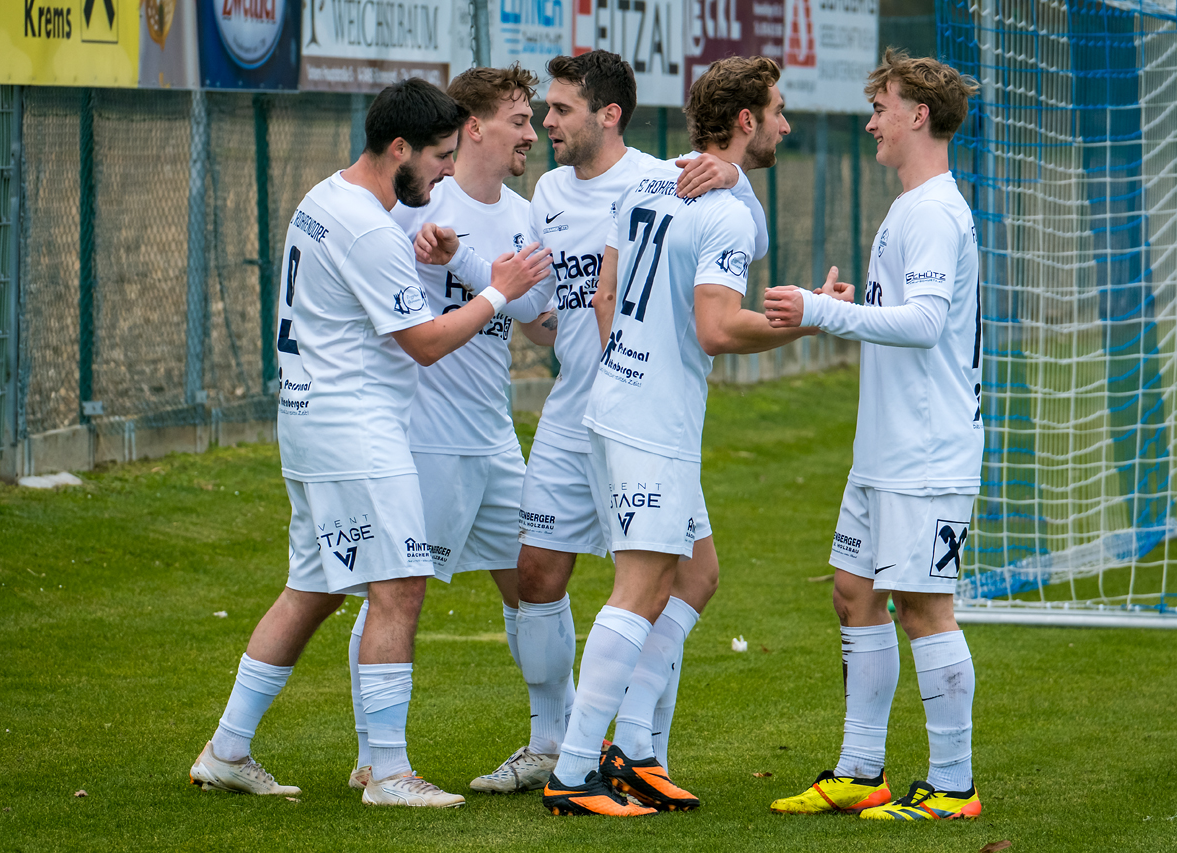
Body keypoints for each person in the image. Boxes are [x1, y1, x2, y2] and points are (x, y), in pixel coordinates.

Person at [187, 78, 552, 808]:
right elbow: (425, 343)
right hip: (356, 429)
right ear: (400, 149)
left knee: (314, 588)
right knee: (400, 586)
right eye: (439, 157)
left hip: (311, 421)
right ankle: (387, 772)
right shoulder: (370, 229)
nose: (445, 173)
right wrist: (498, 291)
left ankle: (225, 749)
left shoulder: (323, 199)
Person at [415, 49, 769, 797]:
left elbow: (742, 228)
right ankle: (552, 743)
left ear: (608, 115)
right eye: (543, 109)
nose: (546, 122)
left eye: (560, 109)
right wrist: (459, 263)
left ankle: (641, 749)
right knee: (538, 574)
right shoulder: (546, 191)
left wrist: (735, 177)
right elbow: (540, 300)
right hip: (573, 410)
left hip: (634, 412)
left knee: (673, 576)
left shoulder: (660, 176)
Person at [543, 55, 819, 817]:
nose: (786, 124)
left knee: (696, 574)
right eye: (778, 110)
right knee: (638, 588)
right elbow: (717, 328)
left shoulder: (648, 181)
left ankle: (633, 749)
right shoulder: (722, 208)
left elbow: (604, 293)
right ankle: (574, 770)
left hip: (618, 401)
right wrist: (811, 319)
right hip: (650, 422)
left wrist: (630, 364)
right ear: (746, 120)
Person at [764, 49, 983, 821]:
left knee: (925, 607)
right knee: (855, 592)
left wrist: (821, 311)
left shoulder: (935, 211)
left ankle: (952, 786)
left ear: (918, 115)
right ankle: (861, 770)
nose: (871, 124)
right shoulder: (909, 205)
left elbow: (924, 324)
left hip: (928, 453)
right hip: (884, 451)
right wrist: (844, 305)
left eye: (881, 108)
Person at [343, 64, 558, 795]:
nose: (531, 134)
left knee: (536, 580)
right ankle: (375, 756)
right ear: (473, 127)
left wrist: (481, 269)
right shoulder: (414, 204)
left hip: (494, 436)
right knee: (396, 593)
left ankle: (551, 743)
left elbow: (535, 322)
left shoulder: (525, 213)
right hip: (424, 437)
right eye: (519, 120)